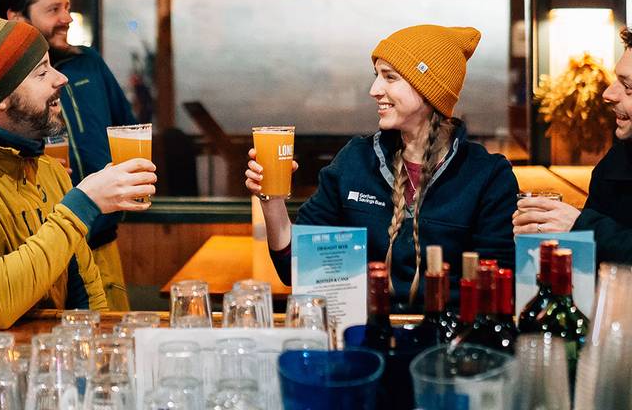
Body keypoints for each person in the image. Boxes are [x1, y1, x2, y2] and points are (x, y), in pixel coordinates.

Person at [246, 24, 518, 310]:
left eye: (390, 77)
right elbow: (296, 268)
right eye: (376, 76)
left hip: (446, 346)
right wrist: (271, 200)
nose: (374, 90)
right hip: (366, 341)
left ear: (430, 91)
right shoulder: (355, 161)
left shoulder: (487, 176)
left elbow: (496, 288)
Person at [0, 18, 156, 329]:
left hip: (51, 361)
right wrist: (83, 204)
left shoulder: (46, 168)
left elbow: (85, 285)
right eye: (41, 72)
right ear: (0, 97)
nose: (61, 79)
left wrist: (100, 351)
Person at [0, 0, 136, 310]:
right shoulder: (3, 83)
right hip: (42, 251)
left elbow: (127, 127)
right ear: (16, 17)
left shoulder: (88, 62)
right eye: (53, 10)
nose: (67, 18)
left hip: (102, 239)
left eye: (67, 7)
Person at [513, 27, 632, 263]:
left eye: (628, 88)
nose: (608, 94)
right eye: (615, 80)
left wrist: (581, 226)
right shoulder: (616, 162)